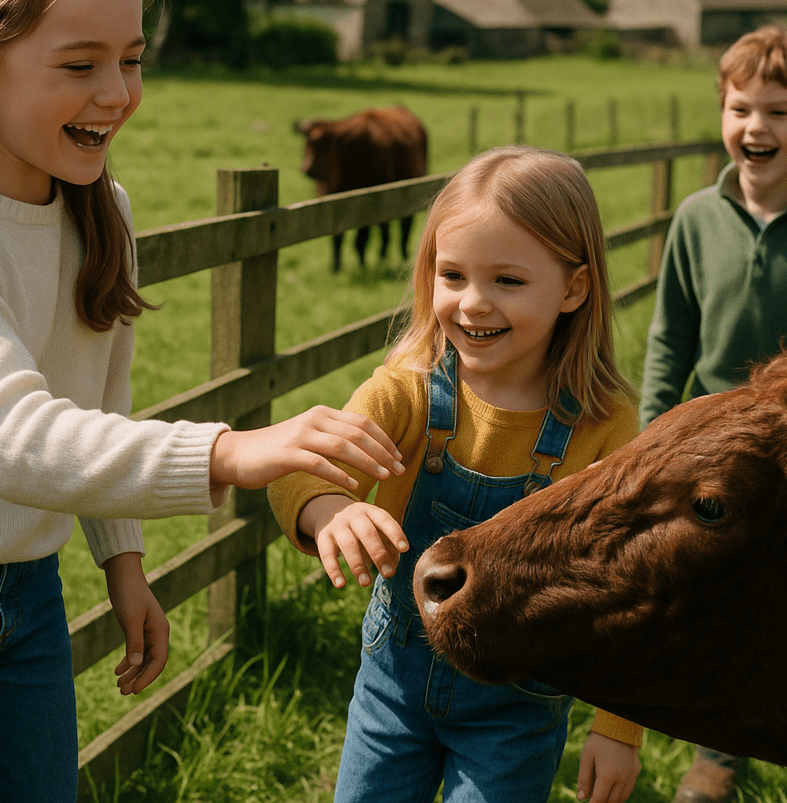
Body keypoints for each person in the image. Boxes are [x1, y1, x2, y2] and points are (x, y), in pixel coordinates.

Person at [0, 0, 404, 803]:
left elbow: (96, 401)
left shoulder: (102, 210)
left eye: (133, 60)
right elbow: (7, 438)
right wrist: (232, 451)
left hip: (27, 588)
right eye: (80, 64)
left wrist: (122, 559)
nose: (117, 93)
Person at [269, 146, 644, 803]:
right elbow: (297, 471)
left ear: (574, 288)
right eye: (453, 275)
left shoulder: (603, 426)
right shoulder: (408, 391)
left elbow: (631, 581)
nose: (473, 304)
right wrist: (328, 509)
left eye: (507, 281)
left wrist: (619, 729)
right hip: (392, 689)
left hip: (517, 712)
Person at [639, 25, 787, 803]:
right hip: (711, 452)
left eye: (778, 112)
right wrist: (650, 432)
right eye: (740, 109)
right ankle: (718, 756)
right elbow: (670, 338)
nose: (755, 127)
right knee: (718, 599)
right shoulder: (695, 218)